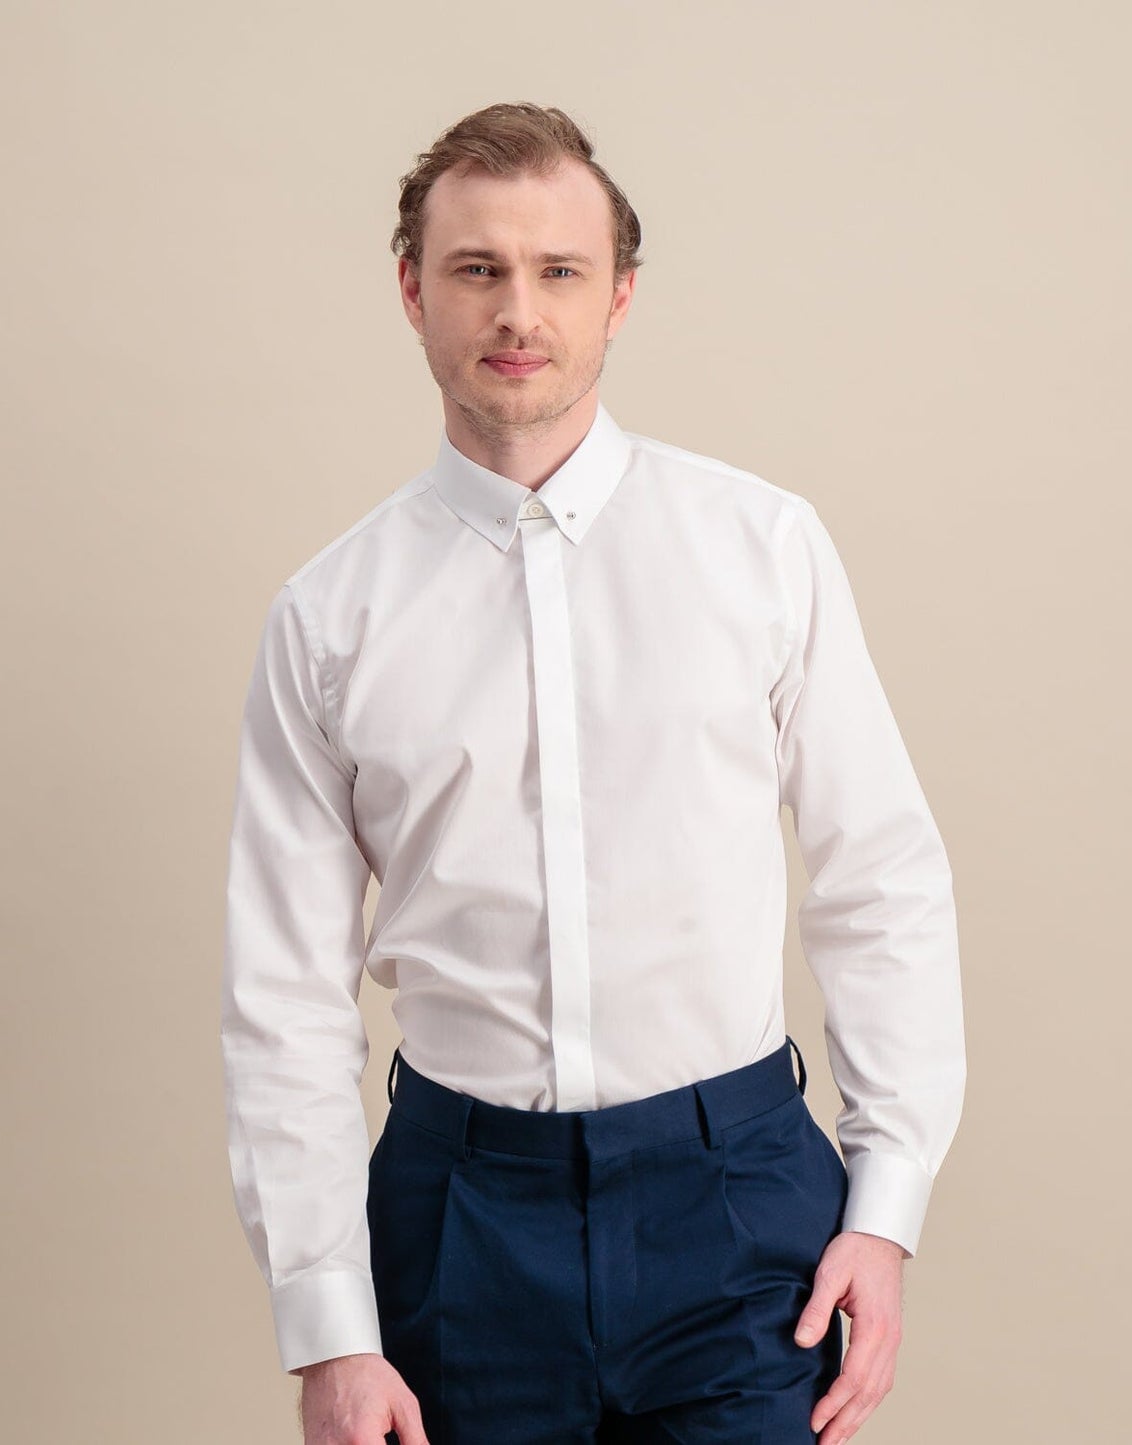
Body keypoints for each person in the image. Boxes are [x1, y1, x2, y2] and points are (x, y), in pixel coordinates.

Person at [220, 101, 966, 1445]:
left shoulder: (761, 549)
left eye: (558, 269)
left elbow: (880, 875)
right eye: (477, 268)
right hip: (461, 1219)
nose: (519, 310)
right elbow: (284, 993)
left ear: (619, 294)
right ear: (412, 290)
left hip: (737, 1202)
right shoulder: (329, 618)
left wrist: (887, 1203)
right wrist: (328, 1328)